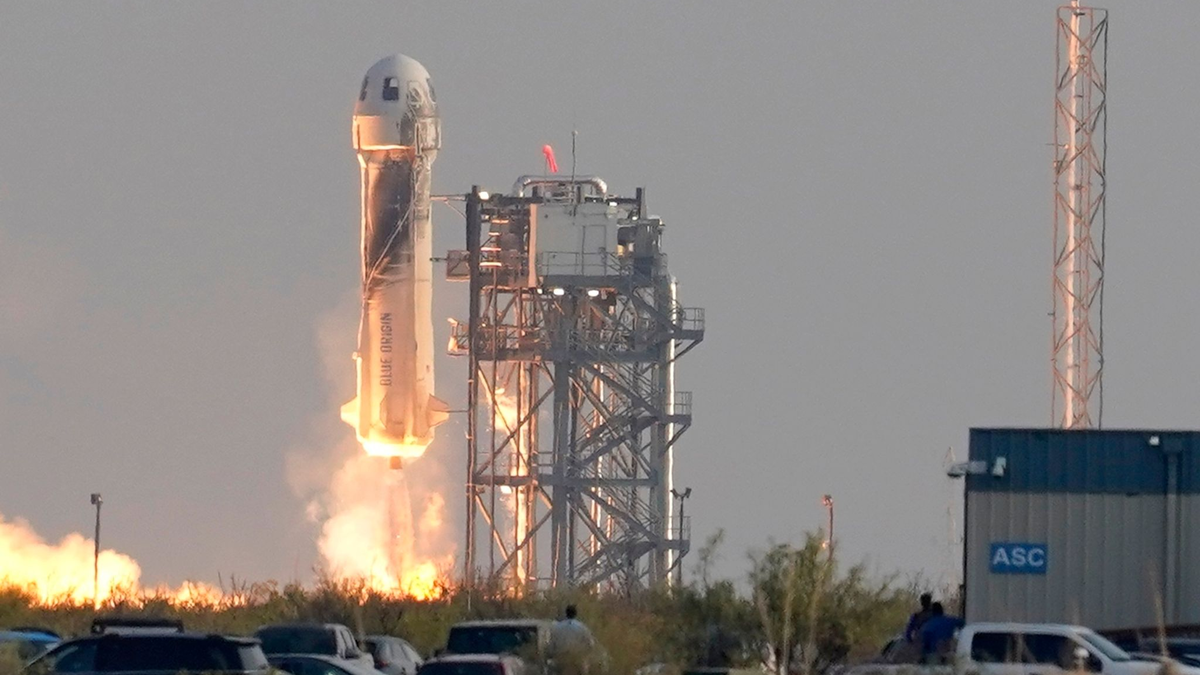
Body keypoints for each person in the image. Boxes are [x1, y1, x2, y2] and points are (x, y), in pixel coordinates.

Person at [548, 605, 597, 675]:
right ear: (575, 614)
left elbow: (551, 646)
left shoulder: (557, 628)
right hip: (577, 661)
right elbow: (591, 645)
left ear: (566, 613)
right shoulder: (582, 627)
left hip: (561, 661)